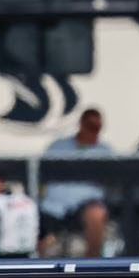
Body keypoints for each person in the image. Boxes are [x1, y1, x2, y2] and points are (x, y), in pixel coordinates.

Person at [42, 107, 112, 257]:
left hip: (85, 205)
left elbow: (113, 180)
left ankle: (93, 265)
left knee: (96, 213)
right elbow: (44, 173)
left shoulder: (105, 151)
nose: (93, 131)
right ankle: (35, 270)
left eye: (97, 128)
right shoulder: (58, 146)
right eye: (90, 126)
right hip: (54, 207)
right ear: (81, 124)